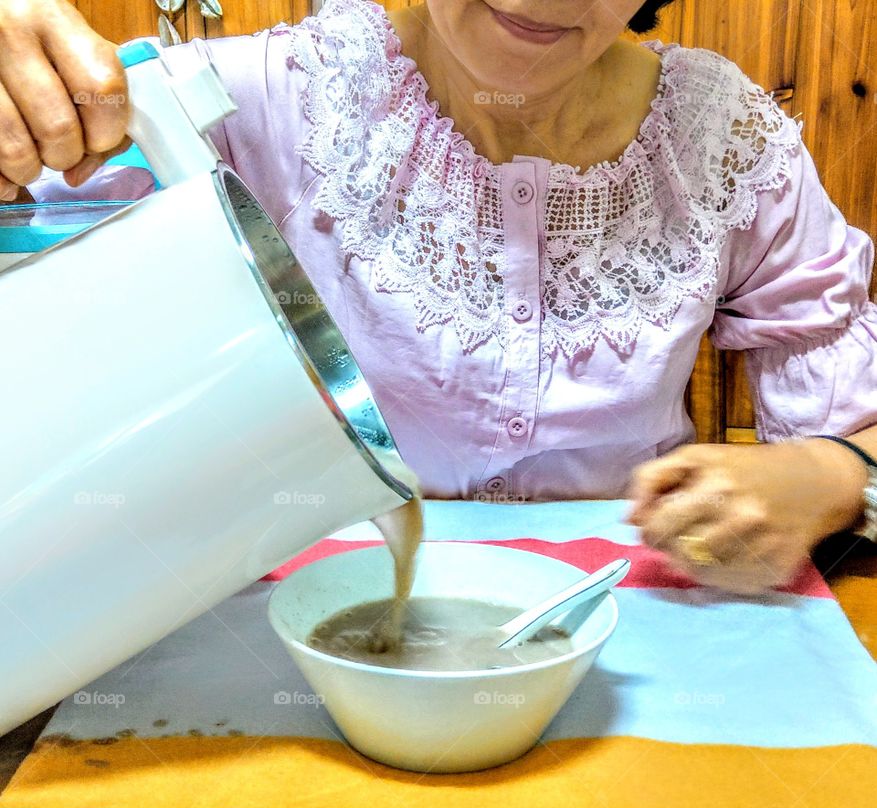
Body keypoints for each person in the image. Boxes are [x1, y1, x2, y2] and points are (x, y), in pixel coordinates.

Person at [2, 0, 876, 593]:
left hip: (638, 627)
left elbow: (855, 421)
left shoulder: (721, 136)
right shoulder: (239, 101)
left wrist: (830, 474)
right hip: (286, 629)